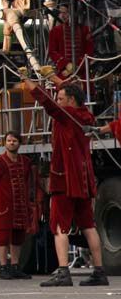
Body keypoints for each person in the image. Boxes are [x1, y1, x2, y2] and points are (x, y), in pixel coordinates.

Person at [20, 76, 109, 286]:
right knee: (88, 225)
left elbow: (47, 104)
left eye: (61, 98)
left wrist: (28, 82)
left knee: (59, 226)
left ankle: (63, 271)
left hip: (65, 178)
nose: (58, 101)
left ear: (71, 100)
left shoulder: (68, 114)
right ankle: (99, 270)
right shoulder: (86, 116)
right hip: (84, 179)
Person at [0, 131, 34, 280]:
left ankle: (15, 266)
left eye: (15, 141)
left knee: (18, 236)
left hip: (20, 204)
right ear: (4, 143)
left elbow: (27, 182)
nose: (12, 143)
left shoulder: (25, 162)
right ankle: (3, 267)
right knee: (3, 237)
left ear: (19, 143)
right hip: (3, 206)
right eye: (9, 140)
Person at [47, 5, 94, 80]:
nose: (62, 15)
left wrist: (76, 67)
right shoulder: (55, 31)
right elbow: (52, 51)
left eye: (65, 13)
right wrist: (66, 64)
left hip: (82, 72)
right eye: (61, 13)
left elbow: (89, 52)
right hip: (63, 72)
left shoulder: (85, 30)